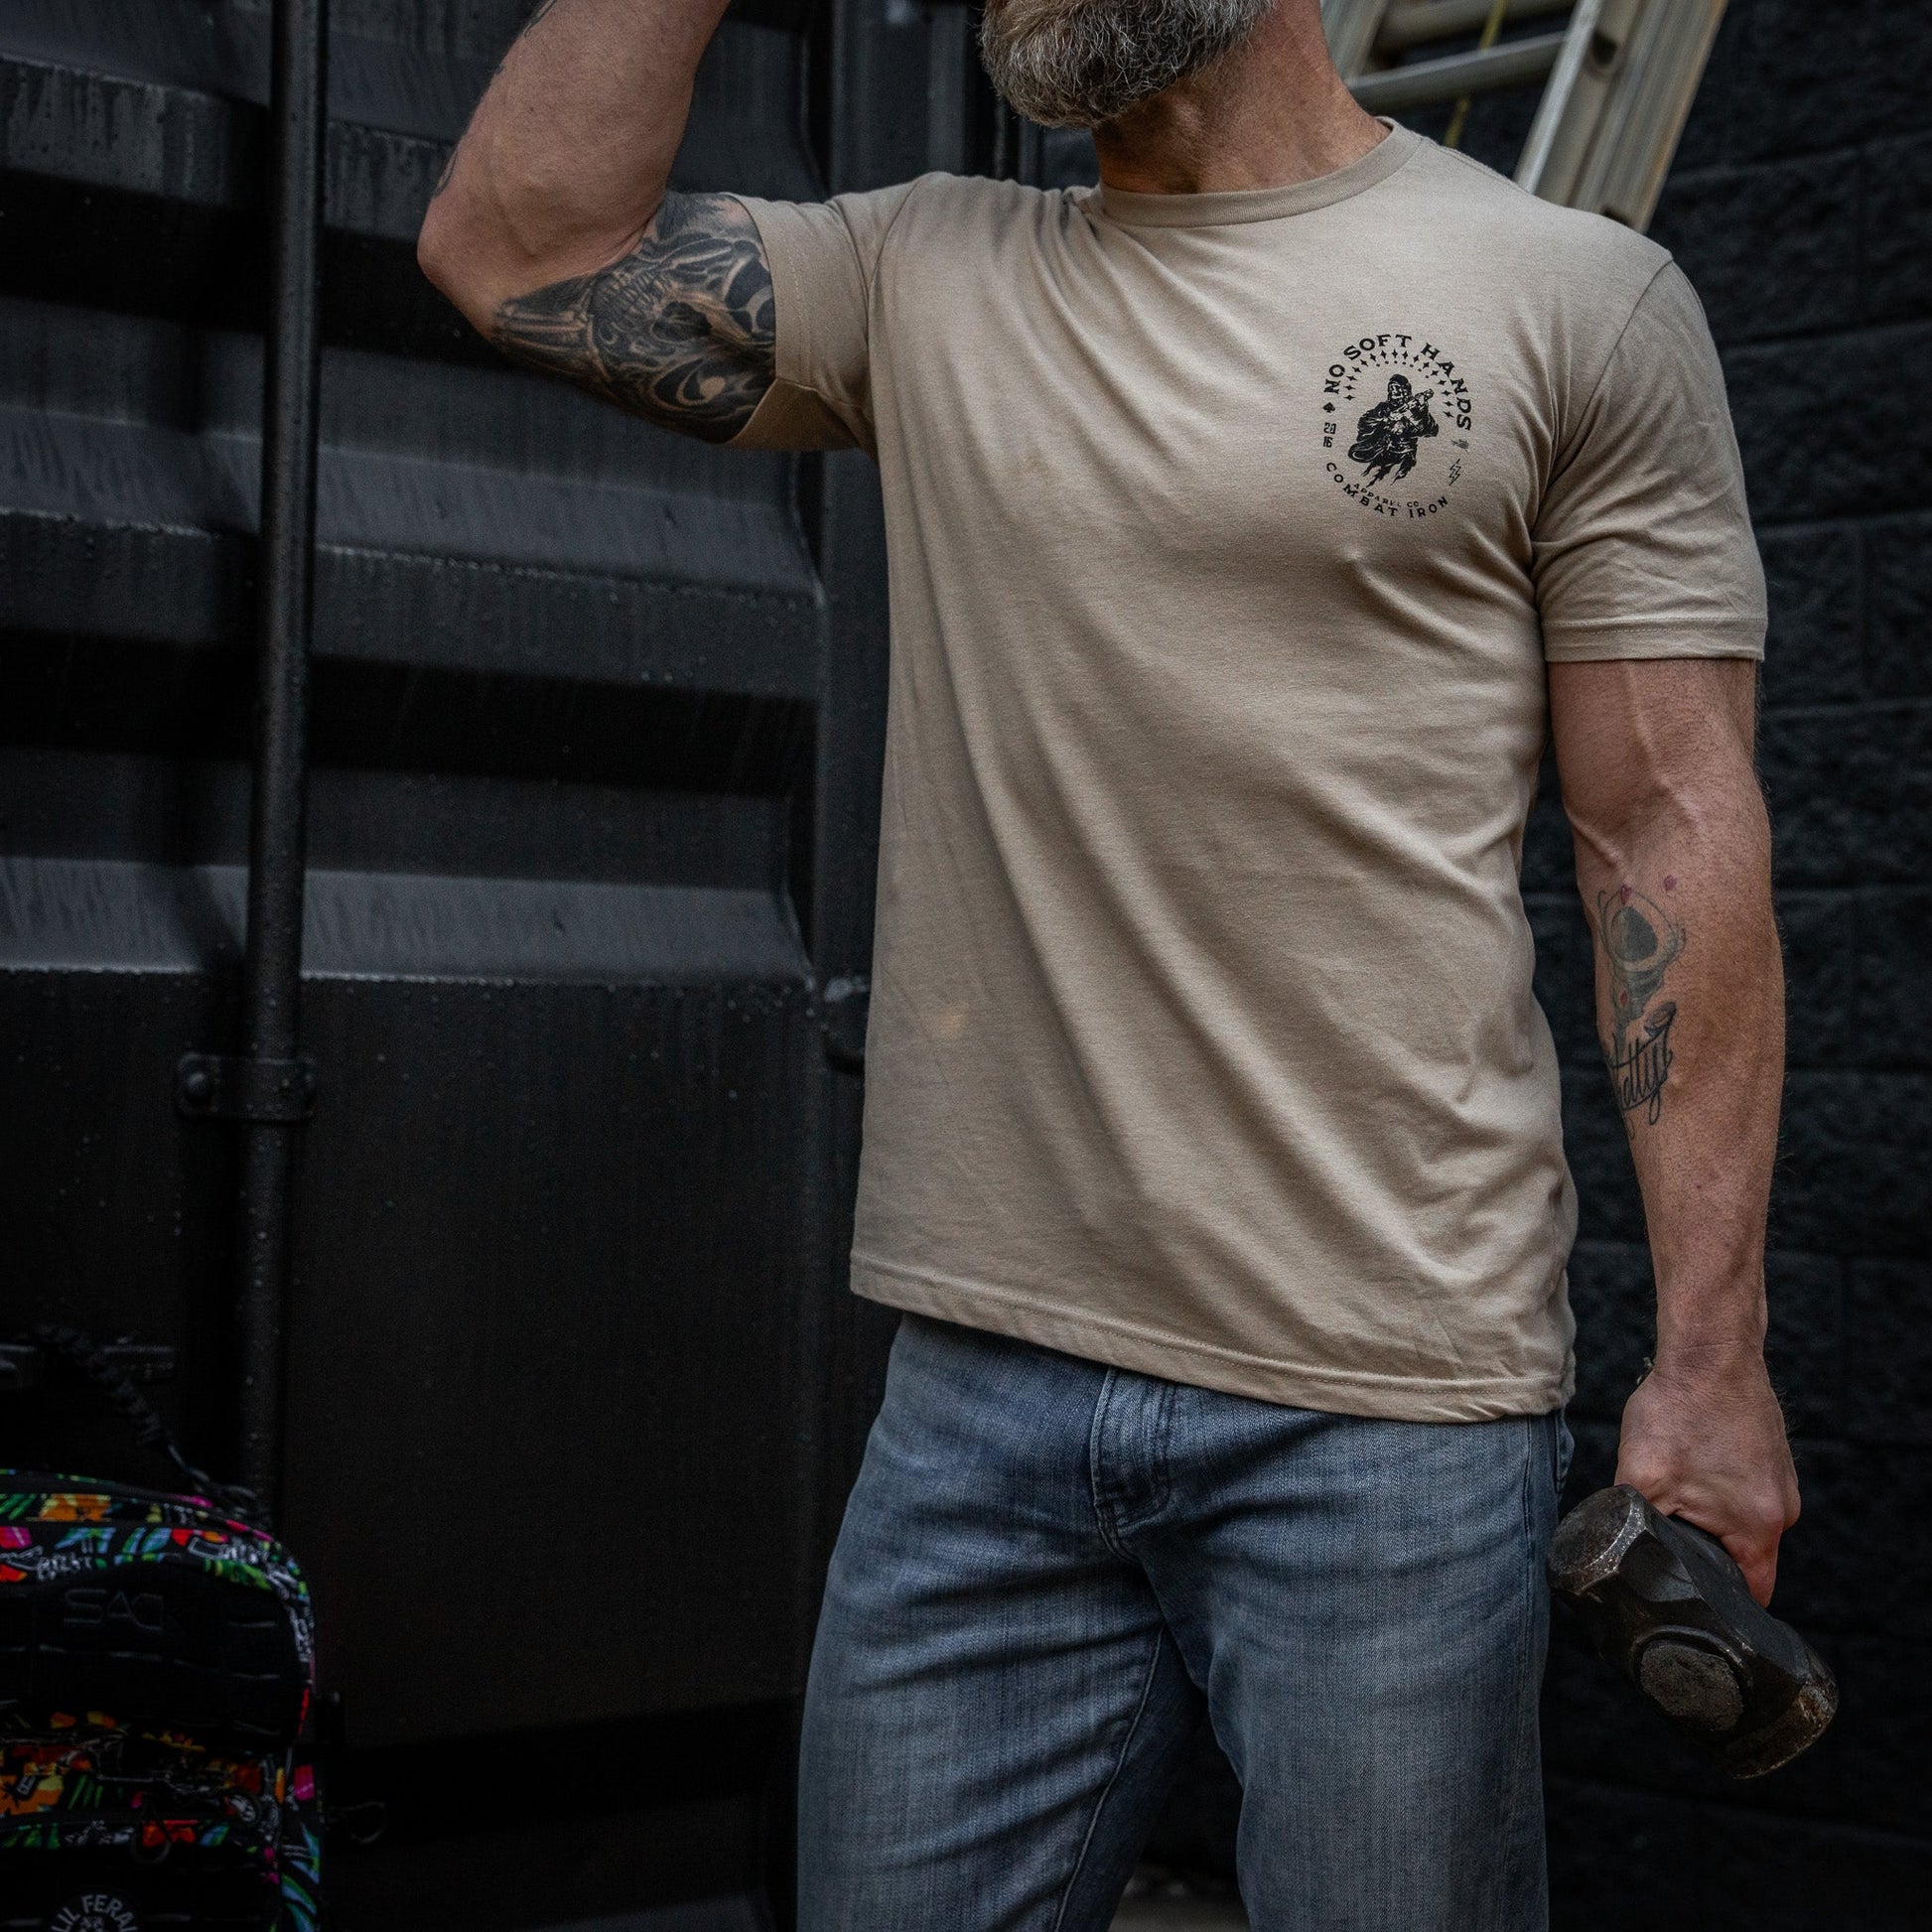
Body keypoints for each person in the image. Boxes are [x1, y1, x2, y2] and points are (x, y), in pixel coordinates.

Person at [418, 0, 1799, 1924]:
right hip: (976, 1404)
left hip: (1385, 1413)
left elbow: (1663, 834)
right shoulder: (923, 275)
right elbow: (518, 247)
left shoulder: (1570, 298)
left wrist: (1711, 1359)